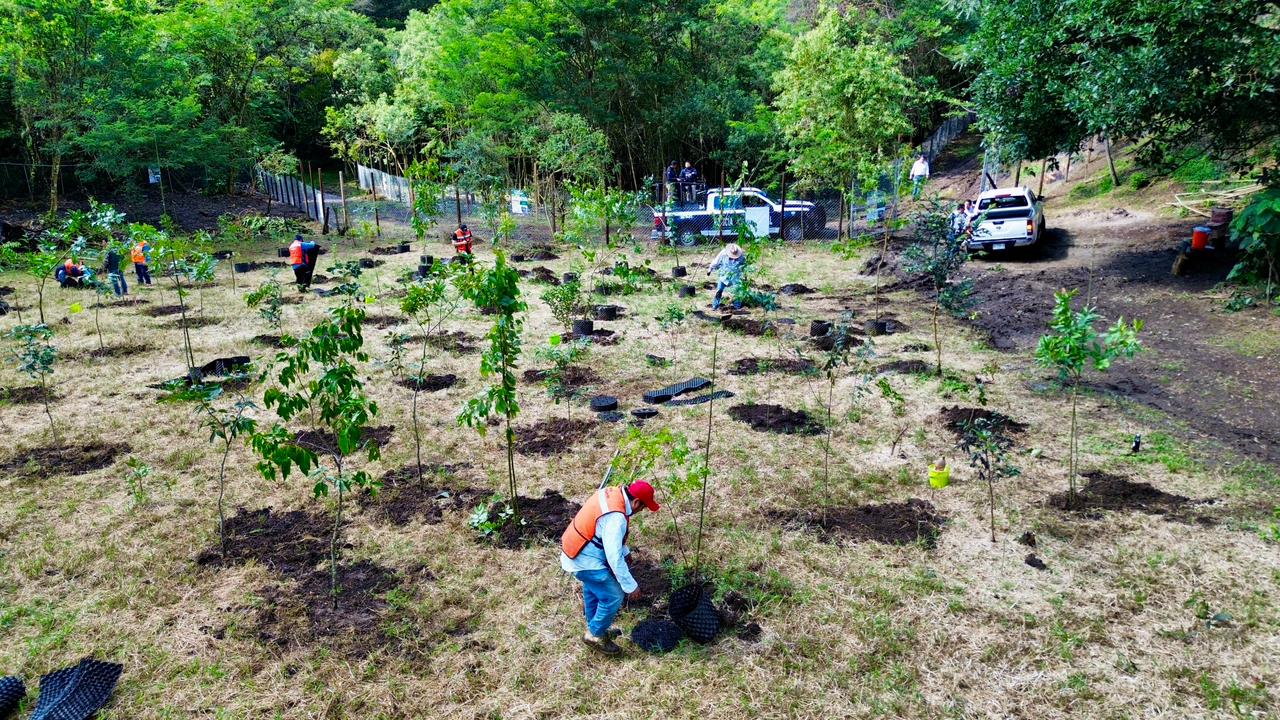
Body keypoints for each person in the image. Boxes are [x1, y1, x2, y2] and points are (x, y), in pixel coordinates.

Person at [560, 480, 660, 656]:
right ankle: (595, 634)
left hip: (574, 549)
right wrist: (630, 586)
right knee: (614, 595)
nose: (640, 511)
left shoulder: (612, 493)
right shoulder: (617, 517)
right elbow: (614, 558)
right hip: (583, 560)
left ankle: (596, 627)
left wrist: (625, 550)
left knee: (593, 589)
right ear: (636, 502)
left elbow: (605, 532)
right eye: (643, 508)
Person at [707, 242, 746, 311]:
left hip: (735, 276)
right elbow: (716, 261)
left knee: (738, 291)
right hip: (724, 275)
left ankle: (737, 306)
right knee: (719, 290)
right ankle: (715, 305)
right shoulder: (723, 253)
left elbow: (744, 266)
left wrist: (744, 275)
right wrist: (710, 269)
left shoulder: (741, 255)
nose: (734, 258)